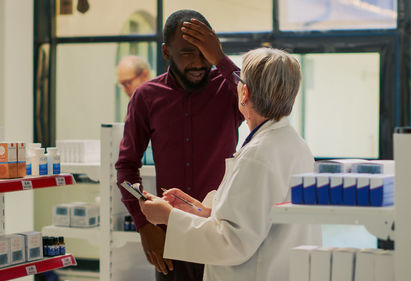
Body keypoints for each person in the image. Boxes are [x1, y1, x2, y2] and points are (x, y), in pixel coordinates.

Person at [138, 47, 321, 281]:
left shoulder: (258, 155)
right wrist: (201, 211)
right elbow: (255, 218)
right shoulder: (293, 145)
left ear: (244, 93)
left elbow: (232, 243)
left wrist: (169, 218)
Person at [115, 9, 243, 281]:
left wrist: (219, 58)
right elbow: (126, 167)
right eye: (187, 53)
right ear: (166, 52)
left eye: (204, 52)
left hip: (223, 233)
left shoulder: (230, 91)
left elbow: (262, 100)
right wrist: (144, 226)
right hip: (171, 237)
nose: (199, 62)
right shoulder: (146, 97)